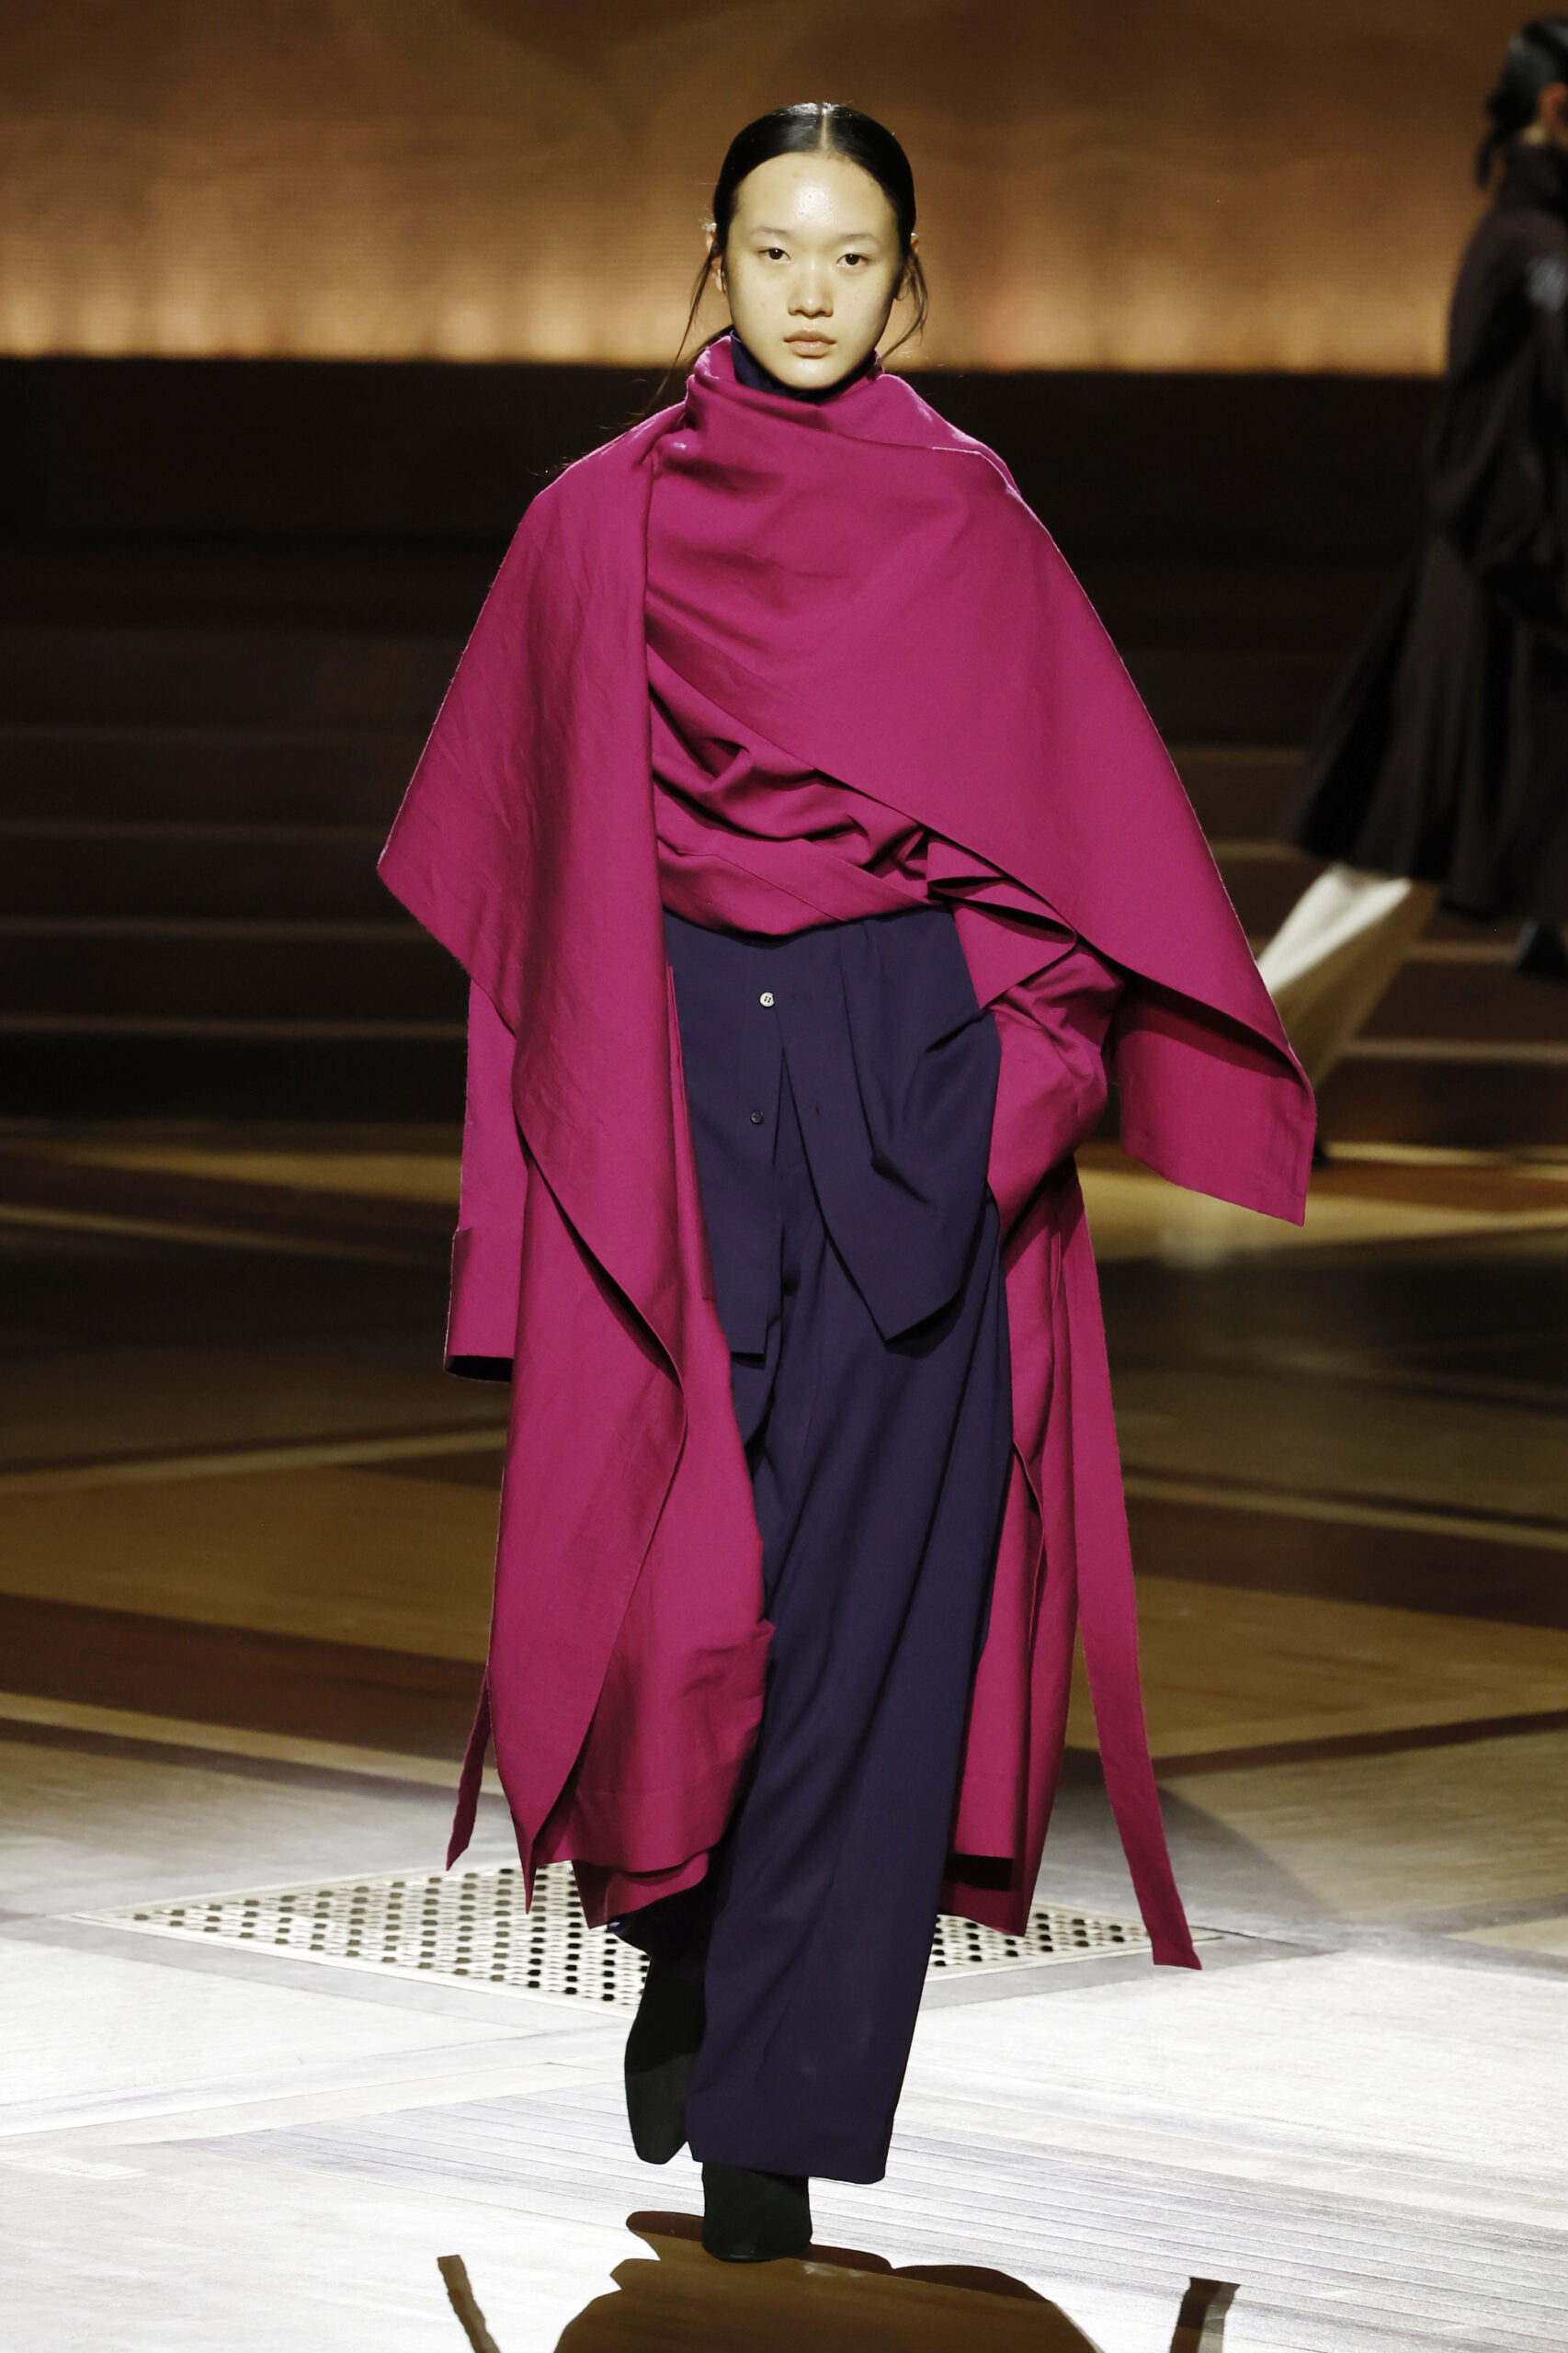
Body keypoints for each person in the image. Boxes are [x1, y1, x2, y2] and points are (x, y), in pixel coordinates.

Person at [380, 102, 1312, 2265]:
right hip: (665, 1078)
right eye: (773, 247)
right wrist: (543, 1168)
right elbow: (518, 885)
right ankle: (684, 1929)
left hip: (909, 1078)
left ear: (909, 285)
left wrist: (999, 1100)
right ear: (710, 263)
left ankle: (771, 2111)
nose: (809, 289)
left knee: (874, 1618)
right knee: (671, 1587)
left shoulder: (967, 517)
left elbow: (1076, 850)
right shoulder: (589, 523)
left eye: (851, 253)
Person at [1265, 17, 1568, 1091]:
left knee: (1397, 862)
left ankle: (1238, 1086)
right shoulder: (1528, 248)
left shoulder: (1535, 241)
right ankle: (1230, 1085)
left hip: (1517, 586)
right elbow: (1481, 449)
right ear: (1556, 107)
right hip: (1502, 593)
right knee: (1395, 860)